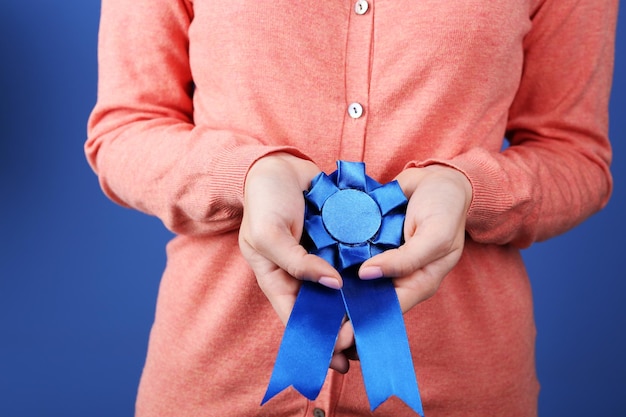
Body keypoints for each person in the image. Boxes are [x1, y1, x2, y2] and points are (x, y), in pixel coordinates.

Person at [85, 0, 617, 416]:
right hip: (218, 382)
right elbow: (125, 130)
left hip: (459, 387)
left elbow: (577, 156)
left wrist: (470, 189)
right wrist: (245, 175)